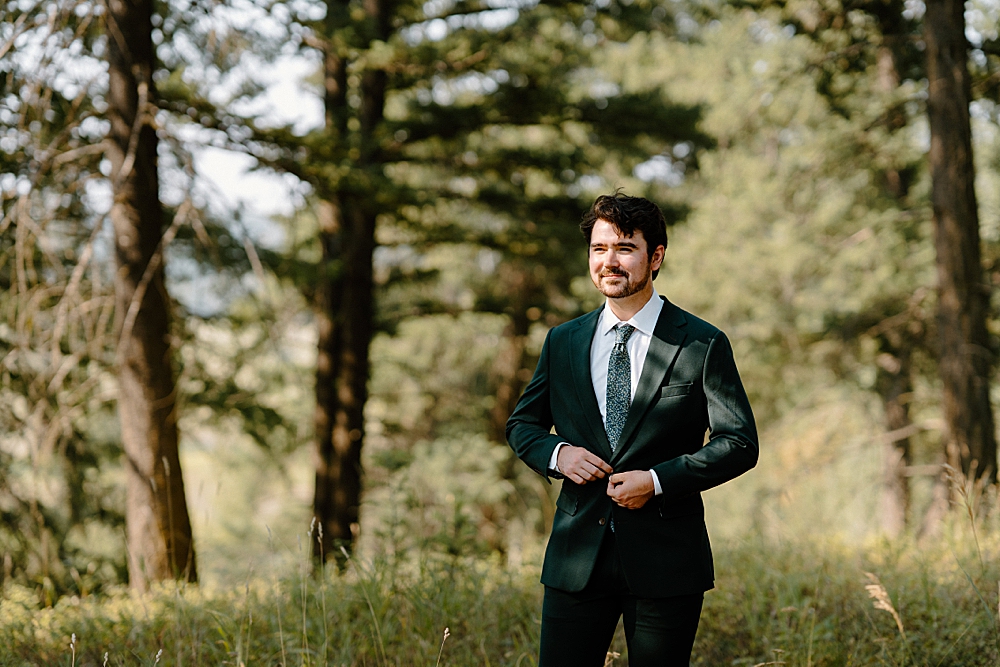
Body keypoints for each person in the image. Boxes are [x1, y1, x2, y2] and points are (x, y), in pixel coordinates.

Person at [506, 192, 759, 666]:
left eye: (624, 248)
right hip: (575, 558)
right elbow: (523, 423)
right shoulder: (563, 341)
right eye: (599, 249)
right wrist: (559, 454)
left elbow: (739, 443)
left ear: (655, 256)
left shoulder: (702, 342)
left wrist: (658, 481)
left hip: (666, 563)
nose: (609, 261)